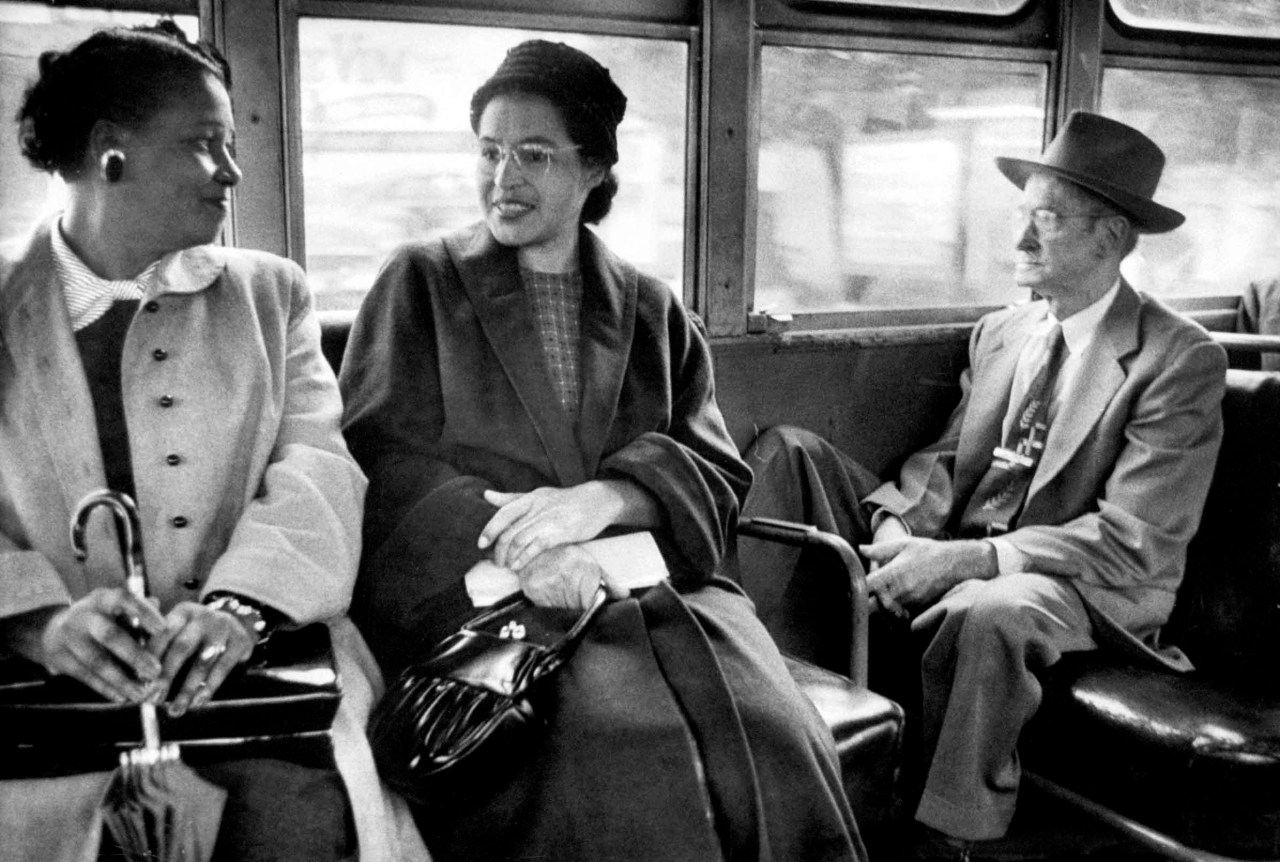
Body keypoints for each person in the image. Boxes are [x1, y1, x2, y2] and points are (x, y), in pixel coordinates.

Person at [339, 39, 865, 862]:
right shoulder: (419, 282)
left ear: (593, 171)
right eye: (489, 151)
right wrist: (528, 550)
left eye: (535, 155)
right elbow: (381, 460)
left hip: (662, 589)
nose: (502, 178)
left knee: (774, 734)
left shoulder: (654, 308)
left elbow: (715, 466)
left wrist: (610, 498)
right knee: (619, 751)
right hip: (488, 596)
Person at [738, 112, 1227, 857]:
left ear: (1113, 238)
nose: (1021, 241)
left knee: (989, 609)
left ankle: (947, 837)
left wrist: (967, 560)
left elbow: (1134, 538)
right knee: (788, 452)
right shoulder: (1003, 333)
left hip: (1087, 578)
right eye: (1020, 217)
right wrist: (902, 531)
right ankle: (760, 721)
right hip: (972, 540)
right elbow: (945, 460)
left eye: (1047, 220)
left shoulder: (1177, 359)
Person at [0, 21, 426, 862]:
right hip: (41, 692)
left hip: (259, 671)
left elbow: (316, 470)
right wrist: (37, 621)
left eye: (231, 145)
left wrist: (243, 608)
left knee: (298, 813)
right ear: (109, 152)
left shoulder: (272, 295)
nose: (231, 171)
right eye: (205, 145)